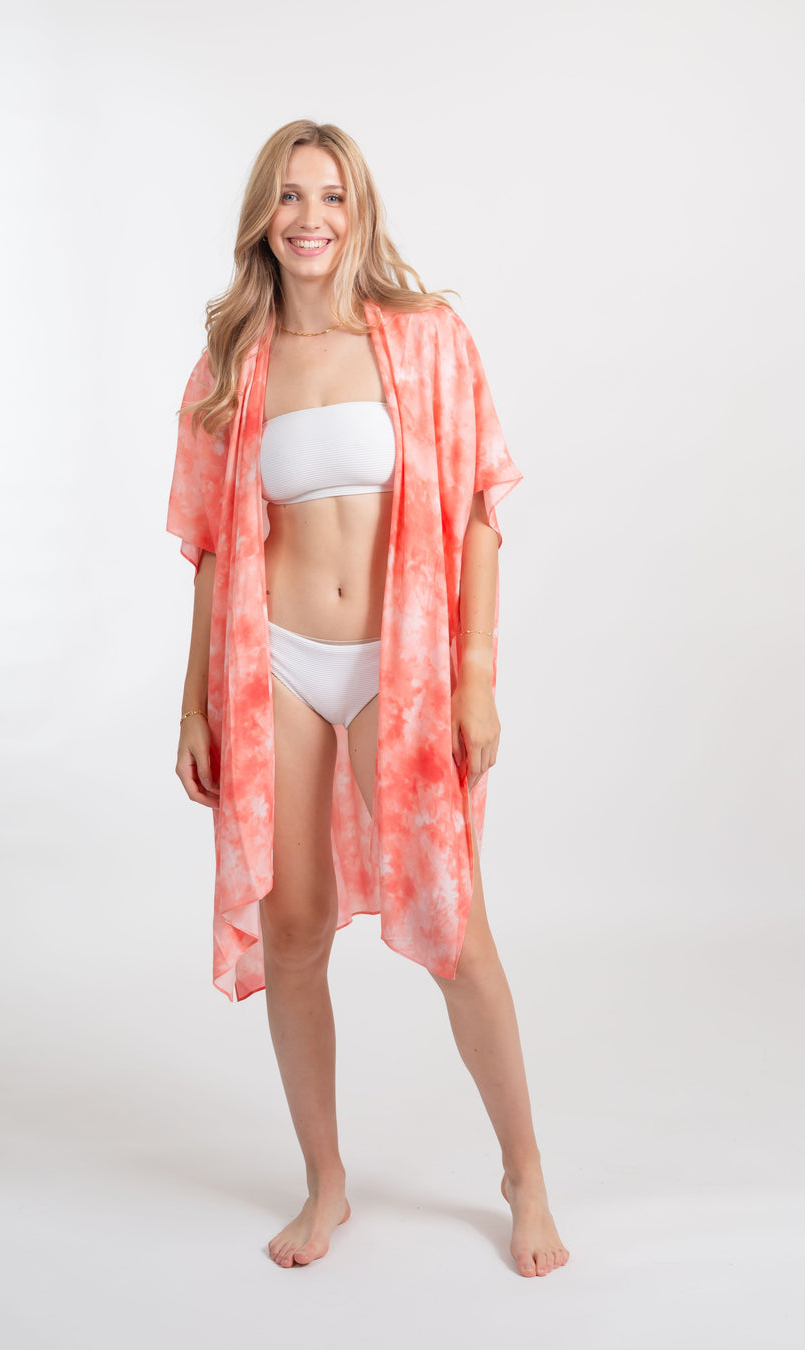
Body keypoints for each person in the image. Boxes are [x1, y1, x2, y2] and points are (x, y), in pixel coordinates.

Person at [166, 119, 569, 1277]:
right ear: (263, 217)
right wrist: (194, 704)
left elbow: (483, 509)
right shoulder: (233, 366)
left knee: (456, 932)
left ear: (359, 212)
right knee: (293, 929)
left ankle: (524, 1174)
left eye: (330, 196)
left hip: (399, 662)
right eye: (290, 197)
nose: (310, 218)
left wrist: (477, 678)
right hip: (277, 664)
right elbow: (206, 549)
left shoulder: (425, 341)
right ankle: (326, 1184)